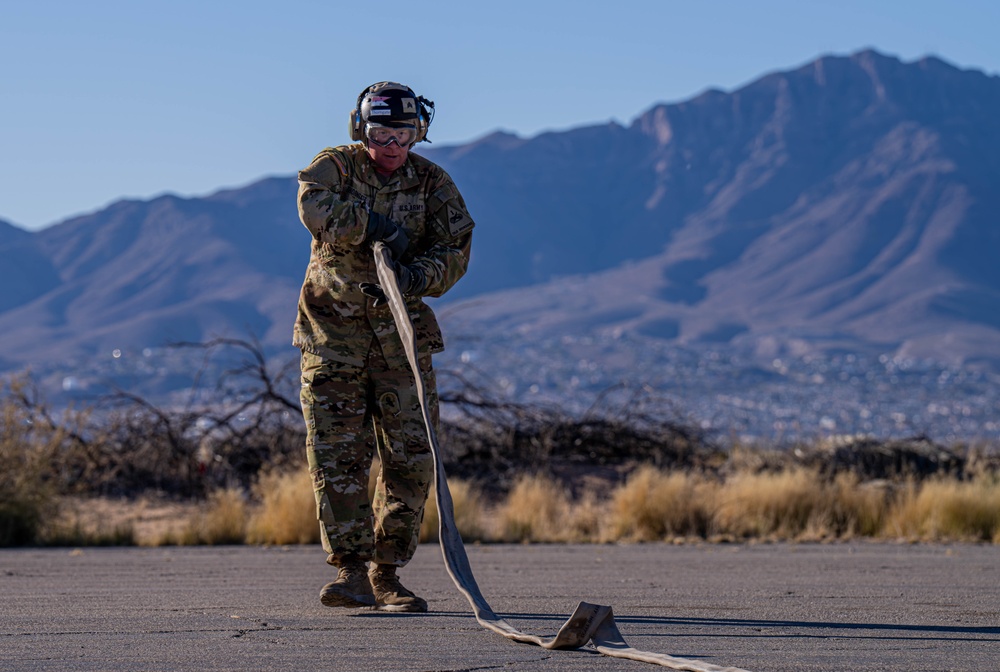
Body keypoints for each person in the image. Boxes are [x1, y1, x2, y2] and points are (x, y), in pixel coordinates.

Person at [293, 81, 475, 613]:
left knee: (413, 461)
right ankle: (349, 571)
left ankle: (386, 572)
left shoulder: (433, 183)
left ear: (419, 133)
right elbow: (313, 204)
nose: (392, 144)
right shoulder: (336, 167)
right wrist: (372, 226)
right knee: (338, 459)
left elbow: (456, 249)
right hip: (333, 344)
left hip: (402, 344)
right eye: (380, 133)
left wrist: (415, 275)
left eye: (403, 133)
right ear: (360, 129)